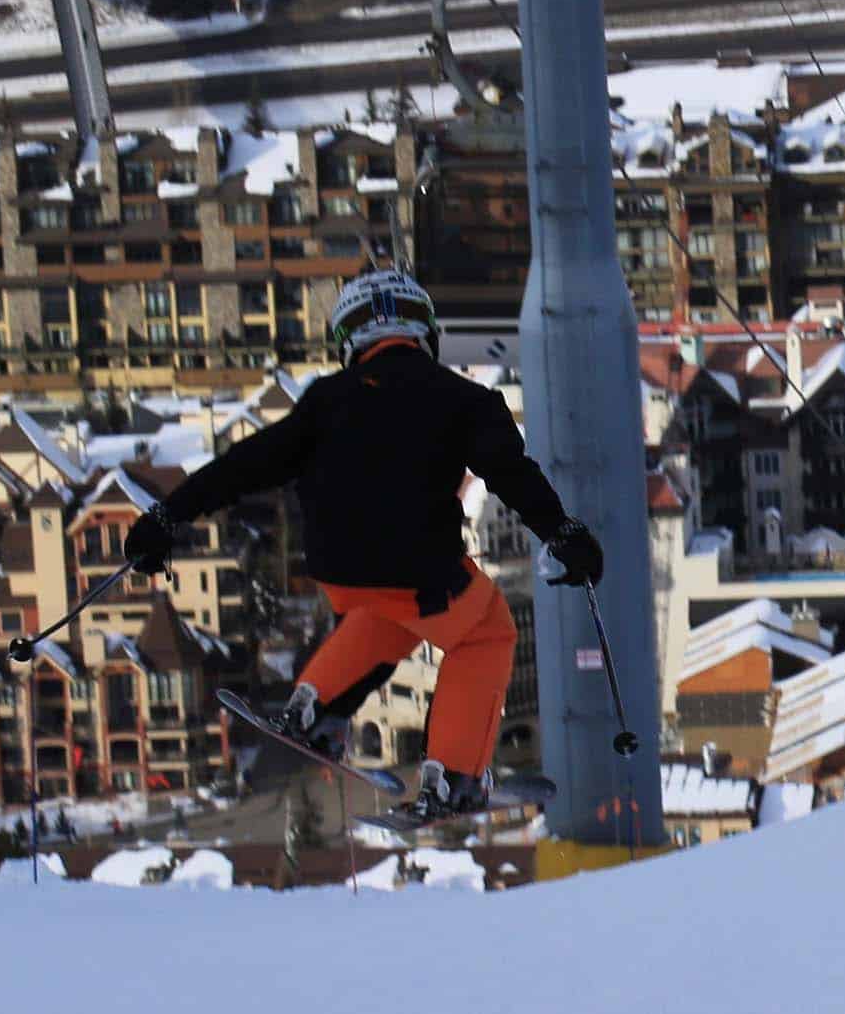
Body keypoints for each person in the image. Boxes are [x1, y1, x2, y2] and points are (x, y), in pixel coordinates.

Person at [125, 269, 602, 821]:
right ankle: (455, 776)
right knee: (487, 633)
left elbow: (243, 466)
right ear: (425, 332)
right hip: (423, 567)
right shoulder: (463, 399)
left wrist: (167, 515)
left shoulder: (325, 400)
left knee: (392, 612)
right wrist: (562, 534)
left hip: (340, 570)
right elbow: (510, 473)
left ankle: (317, 704)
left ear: (348, 341)